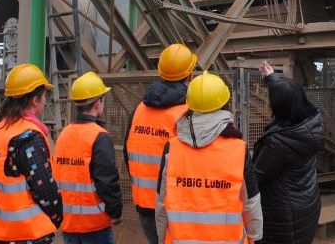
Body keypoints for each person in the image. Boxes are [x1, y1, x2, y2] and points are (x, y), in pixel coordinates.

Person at [155, 71, 263, 244]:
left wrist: (160, 239)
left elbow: (162, 201)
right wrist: (255, 238)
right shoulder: (238, 149)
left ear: (189, 105)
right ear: (224, 104)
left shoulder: (172, 148)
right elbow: (251, 202)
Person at [0, 63, 63, 244]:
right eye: (44, 96)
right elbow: (44, 188)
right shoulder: (29, 137)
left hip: (2, 233)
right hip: (28, 233)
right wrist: (57, 217)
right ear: (34, 100)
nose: (45, 100)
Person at [123, 43, 196, 244]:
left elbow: (127, 153)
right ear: (189, 75)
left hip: (144, 203)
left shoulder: (139, 109)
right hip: (175, 206)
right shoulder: (187, 112)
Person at [252, 62, 324, 244]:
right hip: (306, 202)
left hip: (283, 215)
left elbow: (255, 177)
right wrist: (271, 77)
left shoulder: (278, 143)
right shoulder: (310, 121)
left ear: (279, 108)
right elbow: (289, 94)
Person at [53, 72, 123, 244]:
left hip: (68, 221)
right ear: (98, 103)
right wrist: (115, 212)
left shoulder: (64, 134)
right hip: (94, 223)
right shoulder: (99, 136)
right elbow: (107, 181)